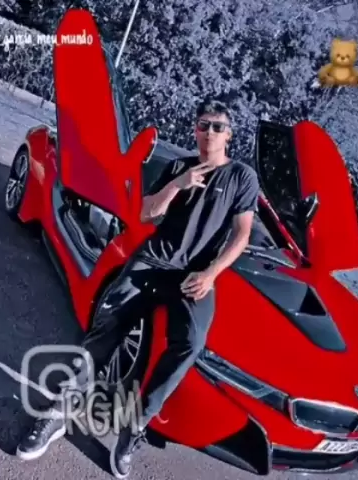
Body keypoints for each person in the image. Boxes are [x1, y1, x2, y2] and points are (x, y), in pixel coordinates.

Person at [16, 98, 260, 478]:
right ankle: (58, 413)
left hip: (195, 275)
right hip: (153, 261)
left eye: (217, 127)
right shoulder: (177, 167)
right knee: (106, 326)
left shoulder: (241, 177)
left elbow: (242, 234)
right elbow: (146, 213)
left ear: (229, 135)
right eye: (203, 125)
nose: (209, 133)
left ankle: (135, 426)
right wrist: (177, 185)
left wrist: (211, 273)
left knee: (190, 342)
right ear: (194, 130)